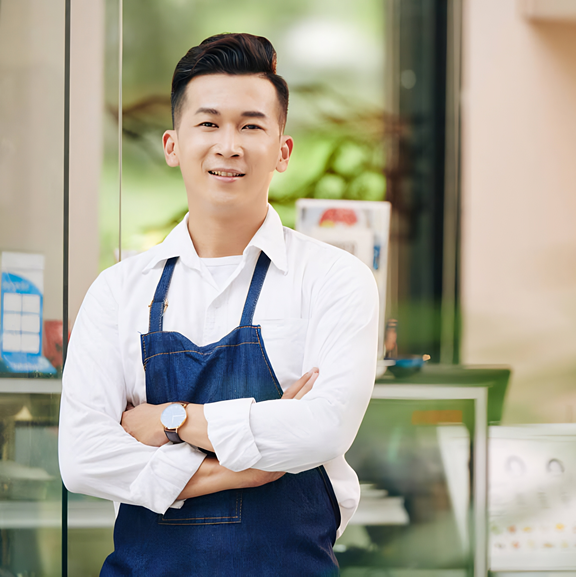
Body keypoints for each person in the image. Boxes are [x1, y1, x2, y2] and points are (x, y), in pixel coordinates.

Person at [58, 33, 379, 576]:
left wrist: (173, 420)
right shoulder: (118, 291)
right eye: (208, 123)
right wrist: (244, 466)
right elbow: (83, 458)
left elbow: (322, 429)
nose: (228, 145)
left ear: (282, 150)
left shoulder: (334, 279)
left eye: (251, 125)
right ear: (172, 144)